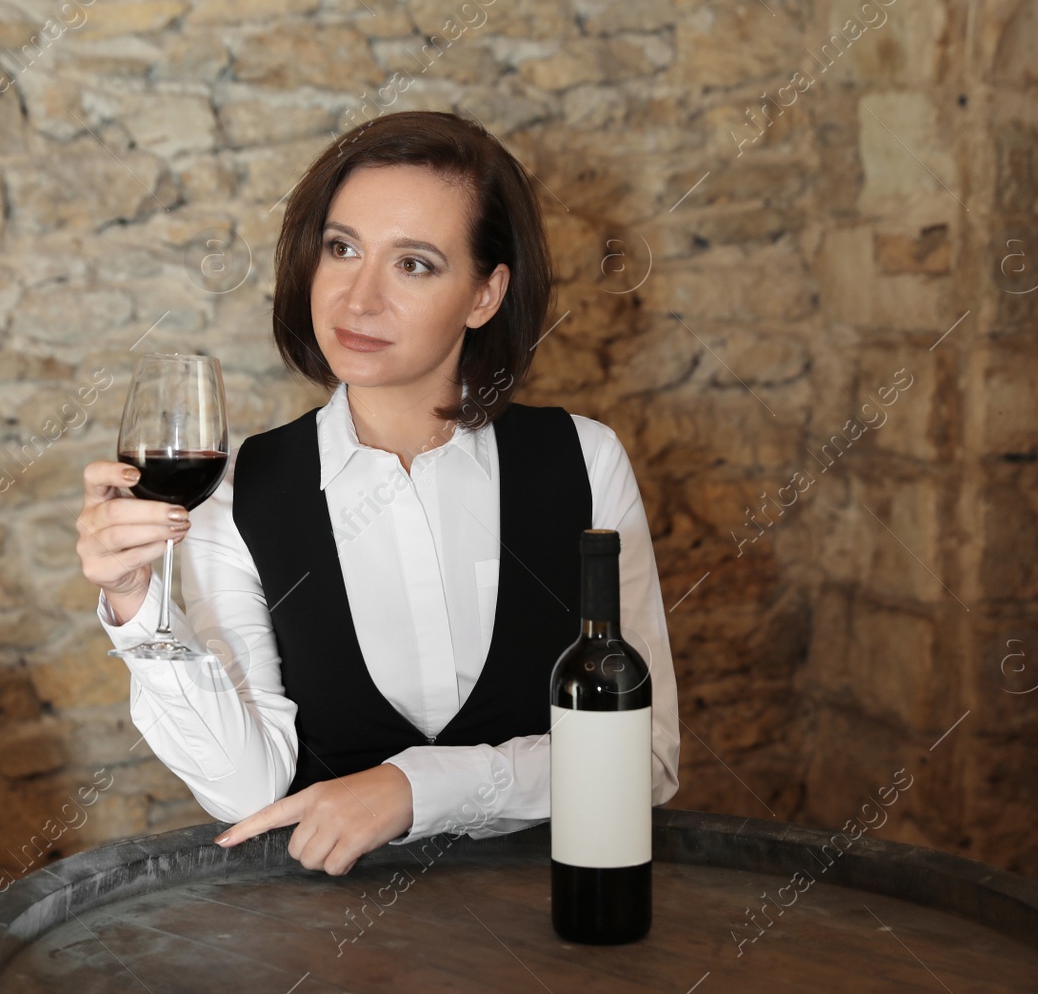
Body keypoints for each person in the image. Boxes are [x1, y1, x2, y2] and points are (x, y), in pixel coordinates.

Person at [75, 110, 680, 877]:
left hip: (560, 924)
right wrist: (137, 610)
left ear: (485, 294)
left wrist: (414, 787)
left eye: (415, 264)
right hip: (336, 954)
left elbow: (645, 758)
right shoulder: (240, 497)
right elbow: (246, 786)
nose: (358, 299)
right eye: (342, 248)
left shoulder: (584, 461)